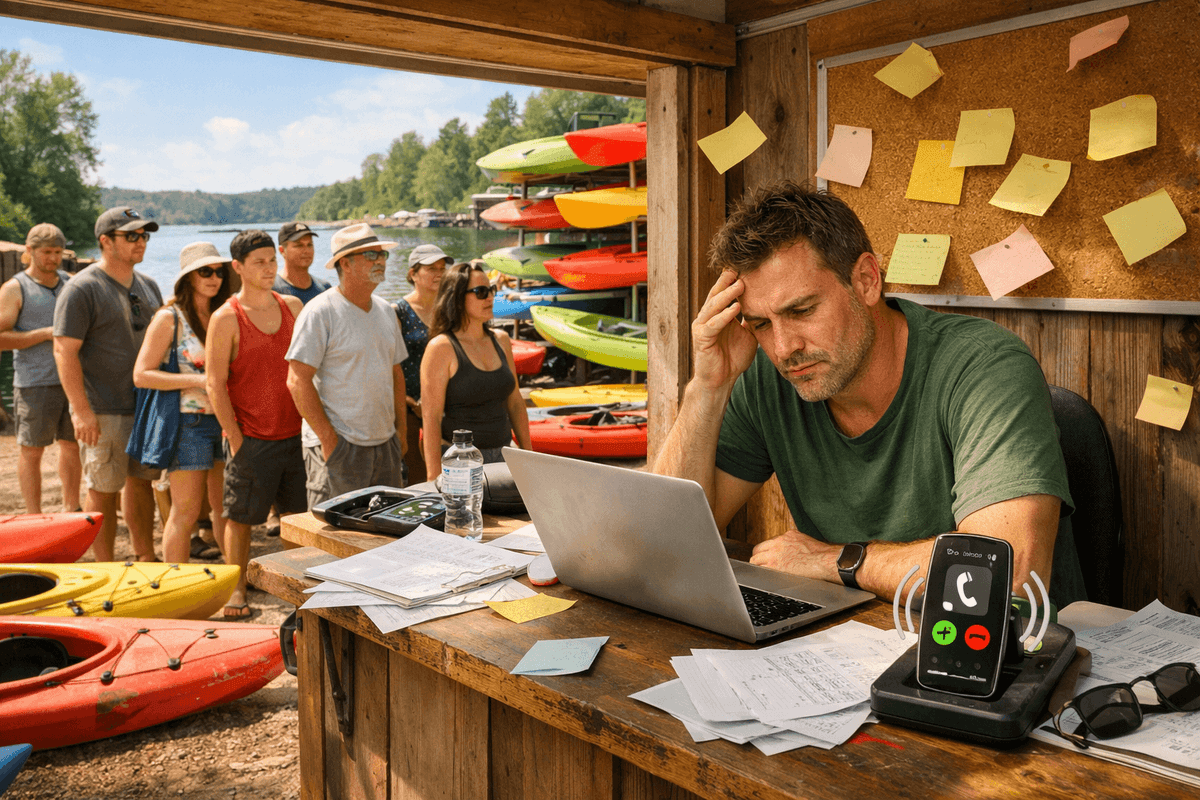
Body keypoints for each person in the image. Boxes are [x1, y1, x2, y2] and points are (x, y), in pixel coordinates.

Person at [653, 181, 1083, 606]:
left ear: (865, 281)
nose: (784, 348)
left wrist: (838, 562)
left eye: (801, 311)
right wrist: (709, 387)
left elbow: (1005, 577)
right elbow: (665, 546)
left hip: (1004, 654)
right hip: (848, 645)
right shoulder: (770, 375)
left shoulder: (983, 367)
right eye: (761, 324)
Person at [206, 230, 308, 618]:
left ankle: (296, 588)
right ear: (238, 268)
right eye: (259, 262)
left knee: (296, 520)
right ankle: (236, 590)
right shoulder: (226, 317)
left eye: (271, 260)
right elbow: (214, 382)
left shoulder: (293, 307)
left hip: (296, 434)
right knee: (240, 518)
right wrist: (234, 436)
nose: (268, 268)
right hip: (251, 437)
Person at [53, 206, 163, 563]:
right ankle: (105, 567)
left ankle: (144, 558)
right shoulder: (81, 288)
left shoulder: (148, 285)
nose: (140, 242)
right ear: (105, 241)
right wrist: (80, 411)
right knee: (102, 489)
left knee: (141, 484)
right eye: (131, 235)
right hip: (102, 409)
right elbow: (64, 351)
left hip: (146, 408)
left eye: (144, 235)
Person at [286, 222, 408, 507]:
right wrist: (329, 440)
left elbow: (396, 373)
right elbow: (296, 380)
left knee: (387, 534)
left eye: (382, 254)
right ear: (345, 264)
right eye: (370, 255)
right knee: (334, 540)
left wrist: (400, 431)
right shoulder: (320, 312)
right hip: (340, 446)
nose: (380, 261)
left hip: (385, 443)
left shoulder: (385, 312)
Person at [131, 242, 231, 565]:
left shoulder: (223, 314)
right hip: (189, 423)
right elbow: (141, 375)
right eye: (206, 272)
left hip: (226, 421)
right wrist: (199, 381)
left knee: (225, 508)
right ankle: (174, 581)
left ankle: (234, 581)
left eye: (219, 271)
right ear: (189, 277)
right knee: (185, 511)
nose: (214, 278)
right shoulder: (168, 318)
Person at [420, 260, 532, 481]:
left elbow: (515, 402)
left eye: (491, 290)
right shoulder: (441, 348)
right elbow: (431, 418)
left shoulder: (501, 340)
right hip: (460, 464)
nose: (490, 297)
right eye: (480, 292)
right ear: (457, 298)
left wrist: (529, 456)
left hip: (503, 457)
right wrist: (434, 478)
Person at [0, 223, 82, 514]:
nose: (53, 258)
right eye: (46, 252)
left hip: (72, 380)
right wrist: (46, 333)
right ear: (29, 251)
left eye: (58, 252)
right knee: (32, 450)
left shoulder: (72, 283)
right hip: (33, 382)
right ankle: (34, 513)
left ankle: (71, 508)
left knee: (72, 446)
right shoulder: (14, 288)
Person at [394, 243, 452, 483]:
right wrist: (410, 402)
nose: (439, 273)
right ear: (413, 274)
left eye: (442, 267)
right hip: (409, 408)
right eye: (431, 268)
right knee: (418, 477)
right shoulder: (398, 311)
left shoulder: (450, 310)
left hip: (447, 406)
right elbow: (391, 366)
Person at [273, 221, 330, 304]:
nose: (306, 251)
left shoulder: (324, 288)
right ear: (282, 251)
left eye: (310, 245)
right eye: (299, 245)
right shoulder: (272, 290)